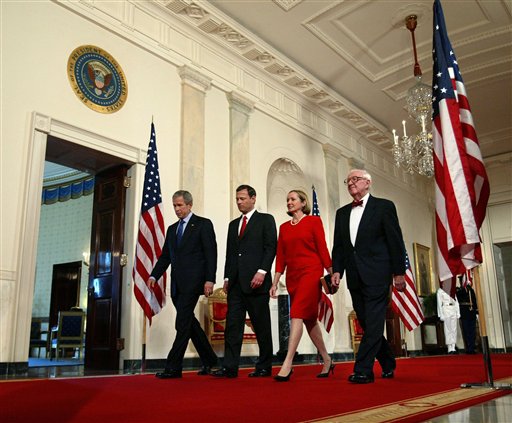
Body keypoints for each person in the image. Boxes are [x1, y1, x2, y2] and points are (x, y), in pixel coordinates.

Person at [331, 169, 406, 384]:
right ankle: (388, 361)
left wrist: (398, 272)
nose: (351, 183)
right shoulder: (342, 213)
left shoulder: (384, 207)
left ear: (368, 183)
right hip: (354, 276)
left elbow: (395, 241)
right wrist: (337, 270)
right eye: (348, 180)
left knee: (374, 322)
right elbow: (339, 246)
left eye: (356, 179)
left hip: (378, 274)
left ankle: (363, 369)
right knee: (367, 322)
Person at [149, 190, 218, 378]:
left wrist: (209, 279)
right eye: (174, 205)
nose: (177, 209)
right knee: (189, 324)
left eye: (180, 205)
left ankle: (173, 367)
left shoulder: (203, 224)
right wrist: (154, 275)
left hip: (194, 283)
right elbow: (165, 257)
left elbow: (210, 254)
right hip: (177, 286)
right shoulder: (172, 229)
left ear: (189, 204)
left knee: (181, 324)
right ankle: (211, 362)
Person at [212, 185, 277, 378]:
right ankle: (230, 367)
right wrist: (226, 277)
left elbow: (271, 247)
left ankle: (264, 366)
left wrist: (262, 271)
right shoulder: (233, 225)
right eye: (237, 199)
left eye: (242, 198)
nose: (239, 202)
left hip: (257, 283)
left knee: (261, 326)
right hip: (236, 285)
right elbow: (230, 254)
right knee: (232, 326)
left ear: (253, 198)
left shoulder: (266, 220)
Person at [270, 189, 333, 382]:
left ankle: (288, 363)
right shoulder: (284, 227)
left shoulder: (313, 221)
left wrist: (332, 274)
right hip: (293, 277)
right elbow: (281, 257)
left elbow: (322, 248)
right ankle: (327, 359)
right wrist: (274, 282)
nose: (289, 202)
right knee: (309, 320)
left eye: (293, 199)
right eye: (287, 199)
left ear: (303, 202)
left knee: (296, 313)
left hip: (311, 273)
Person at [456, 281, 478, 354]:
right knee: (466, 331)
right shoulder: (459, 291)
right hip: (464, 313)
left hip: (472, 313)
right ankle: (468, 348)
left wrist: (476, 311)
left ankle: (472, 347)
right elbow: (458, 301)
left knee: (472, 331)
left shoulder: (471, 290)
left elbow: (474, 301)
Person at [437, 287, 460, 354]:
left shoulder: (452, 289)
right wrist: (441, 314)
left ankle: (453, 346)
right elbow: (439, 303)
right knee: (448, 329)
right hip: (446, 309)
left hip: (453, 309)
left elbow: (456, 301)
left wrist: (458, 312)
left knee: (454, 329)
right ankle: (449, 347)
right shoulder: (440, 290)